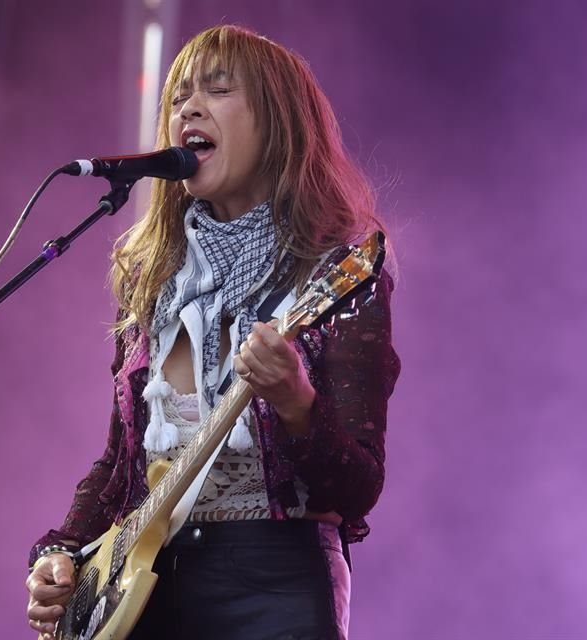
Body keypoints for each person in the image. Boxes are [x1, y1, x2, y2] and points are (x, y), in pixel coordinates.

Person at [25, 24, 401, 640]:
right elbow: (123, 465)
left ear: (278, 123)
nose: (188, 109)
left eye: (218, 90)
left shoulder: (338, 274)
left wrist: (295, 401)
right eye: (178, 98)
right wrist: (58, 554)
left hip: (276, 588)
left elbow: (357, 487)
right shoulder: (156, 283)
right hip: (149, 594)